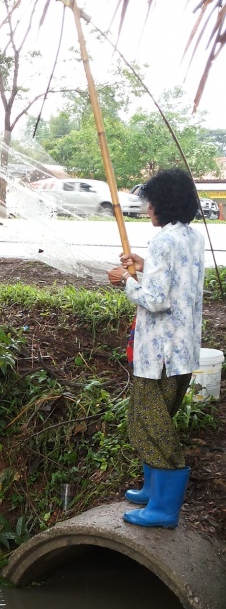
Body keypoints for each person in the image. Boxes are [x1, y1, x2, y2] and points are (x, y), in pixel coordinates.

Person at [107, 168, 204, 528]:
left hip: (160, 353)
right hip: (183, 350)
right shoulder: (190, 238)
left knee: (151, 424)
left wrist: (126, 280)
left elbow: (157, 300)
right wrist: (145, 269)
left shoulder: (164, 241)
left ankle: (164, 510)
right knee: (148, 417)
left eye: (150, 203)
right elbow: (179, 283)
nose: (147, 209)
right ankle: (152, 488)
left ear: (163, 204)